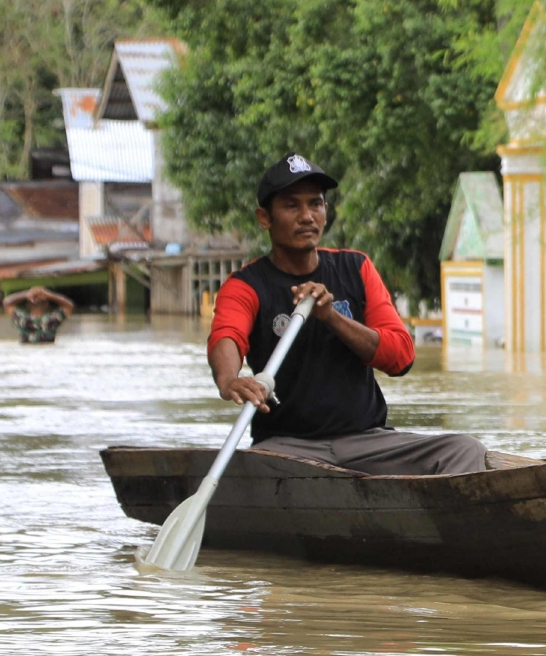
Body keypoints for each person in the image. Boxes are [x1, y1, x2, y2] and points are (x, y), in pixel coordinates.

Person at [207, 154, 488, 475]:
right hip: (285, 448)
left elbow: (401, 358)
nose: (307, 216)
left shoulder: (356, 268)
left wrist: (332, 318)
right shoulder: (246, 285)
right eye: (291, 206)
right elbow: (226, 336)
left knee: (465, 449)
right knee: (253, 471)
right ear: (264, 218)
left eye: (316, 204)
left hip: (368, 442)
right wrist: (230, 380)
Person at [3, 286, 74, 343]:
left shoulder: (22, 320)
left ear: (28, 306)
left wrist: (26, 294)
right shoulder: (52, 320)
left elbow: (6, 303)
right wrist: (49, 294)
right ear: (47, 305)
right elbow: (69, 305)